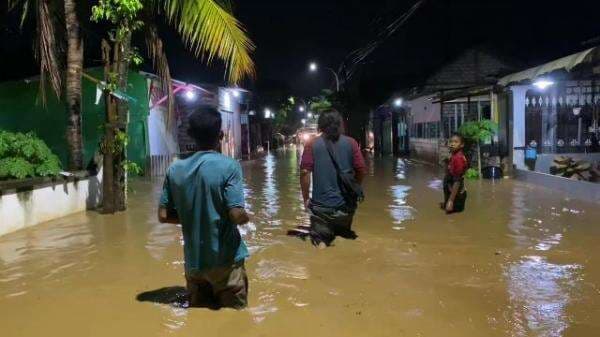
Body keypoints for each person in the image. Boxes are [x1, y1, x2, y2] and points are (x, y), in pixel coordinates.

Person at [158, 105, 250, 309]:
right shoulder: (230, 166)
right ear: (221, 134)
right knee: (235, 323)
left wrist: (195, 216)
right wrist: (247, 217)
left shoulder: (175, 169)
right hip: (226, 265)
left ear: (190, 135)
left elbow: (163, 215)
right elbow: (236, 214)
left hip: (194, 267)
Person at [298, 109, 367, 247]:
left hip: (320, 210)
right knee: (344, 242)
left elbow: (305, 172)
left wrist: (306, 199)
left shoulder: (312, 144)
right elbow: (361, 170)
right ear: (340, 124)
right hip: (345, 209)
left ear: (320, 125)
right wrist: (353, 189)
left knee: (321, 247)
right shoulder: (352, 143)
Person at [443, 133, 468, 214]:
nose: (452, 144)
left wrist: (451, 201)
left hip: (455, 194)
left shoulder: (458, 158)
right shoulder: (454, 155)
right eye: (451, 141)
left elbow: (457, 180)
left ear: (462, 145)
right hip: (452, 190)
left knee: (453, 219)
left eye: (456, 142)